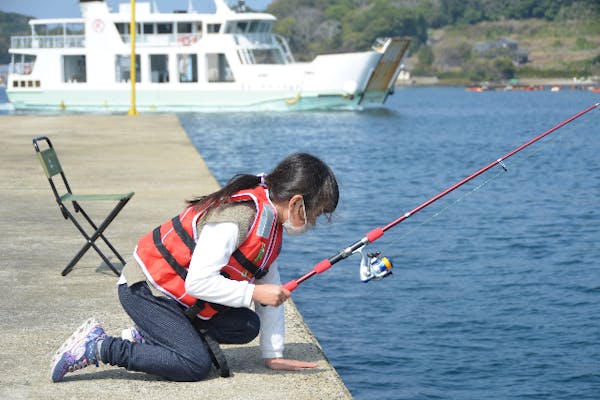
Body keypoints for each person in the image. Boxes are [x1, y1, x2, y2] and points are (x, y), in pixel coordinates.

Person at [50, 153, 339, 382]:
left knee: (248, 326)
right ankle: (99, 346)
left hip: (178, 300)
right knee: (194, 364)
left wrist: (273, 354)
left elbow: (270, 294)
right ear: (297, 202)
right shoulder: (240, 216)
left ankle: (151, 334)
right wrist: (253, 293)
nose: (312, 223)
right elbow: (198, 283)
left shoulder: (271, 228)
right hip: (147, 289)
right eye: (314, 215)